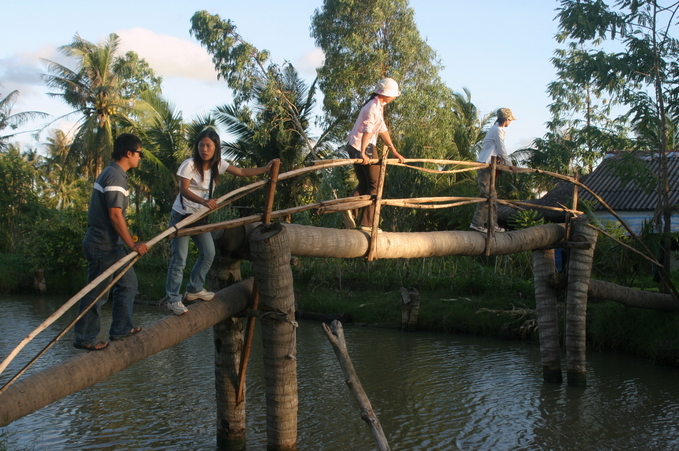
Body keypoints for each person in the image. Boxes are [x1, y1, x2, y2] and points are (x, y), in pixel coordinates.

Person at [165, 128, 275, 315]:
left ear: (216, 147)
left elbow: (241, 171)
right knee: (179, 259)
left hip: (200, 218)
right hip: (182, 216)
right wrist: (204, 202)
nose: (204, 149)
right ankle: (173, 299)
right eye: (201, 145)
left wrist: (266, 169)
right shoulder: (189, 164)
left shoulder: (218, 165)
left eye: (208, 145)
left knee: (209, 252)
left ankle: (194, 289)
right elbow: (183, 190)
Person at [74, 133, 149, 351]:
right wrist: (132, 245)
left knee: (128, 283)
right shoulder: (115, 176)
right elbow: (115, 215)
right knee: (97, 293)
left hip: (112, 246)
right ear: (129, 153)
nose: (140, 158)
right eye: (139, 154)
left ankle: (121, 329)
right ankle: (85, 337)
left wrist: (126, 240)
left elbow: (117, 217)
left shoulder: (115, 174)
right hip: (102, 246)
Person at [346, 78, 405, 233]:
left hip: (354, 145)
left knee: (365, 184)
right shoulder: (373, 107)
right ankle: (367, 223)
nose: (393, 98)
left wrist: (393, 150)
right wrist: (364, 152)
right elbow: (367, 129)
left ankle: (350, 208)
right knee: (376, 184)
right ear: (386, 94)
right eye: (393, 95)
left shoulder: (377, 105)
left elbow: (382, 128)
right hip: (364, 146)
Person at [470, 108, 519, 233]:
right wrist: (509, 164)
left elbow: (497, 150)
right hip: (485, 165)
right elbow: (501, 149)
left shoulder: (498, 129)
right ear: (506, 119)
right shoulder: (497, 130)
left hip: (490, 165)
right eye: (510, 120)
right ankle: (477, 223)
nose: (511, 123)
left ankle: (493, 224)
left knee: (493, 196)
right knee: (486, 195)